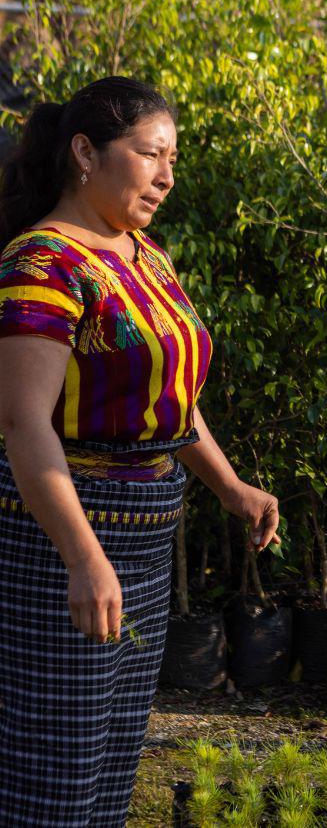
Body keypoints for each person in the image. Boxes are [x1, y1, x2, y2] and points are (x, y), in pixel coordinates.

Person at [0, 76, 280, 826]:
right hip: (62, 535)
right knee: (50, 767)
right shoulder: (44, 262)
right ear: (86, 153)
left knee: (111, 760)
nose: (166, 176)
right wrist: (83, 558)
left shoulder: (142, 253)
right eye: (151, 154)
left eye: (172, 158)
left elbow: (170, 400)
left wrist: (230, 488)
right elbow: (25, 424)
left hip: (147, 537)